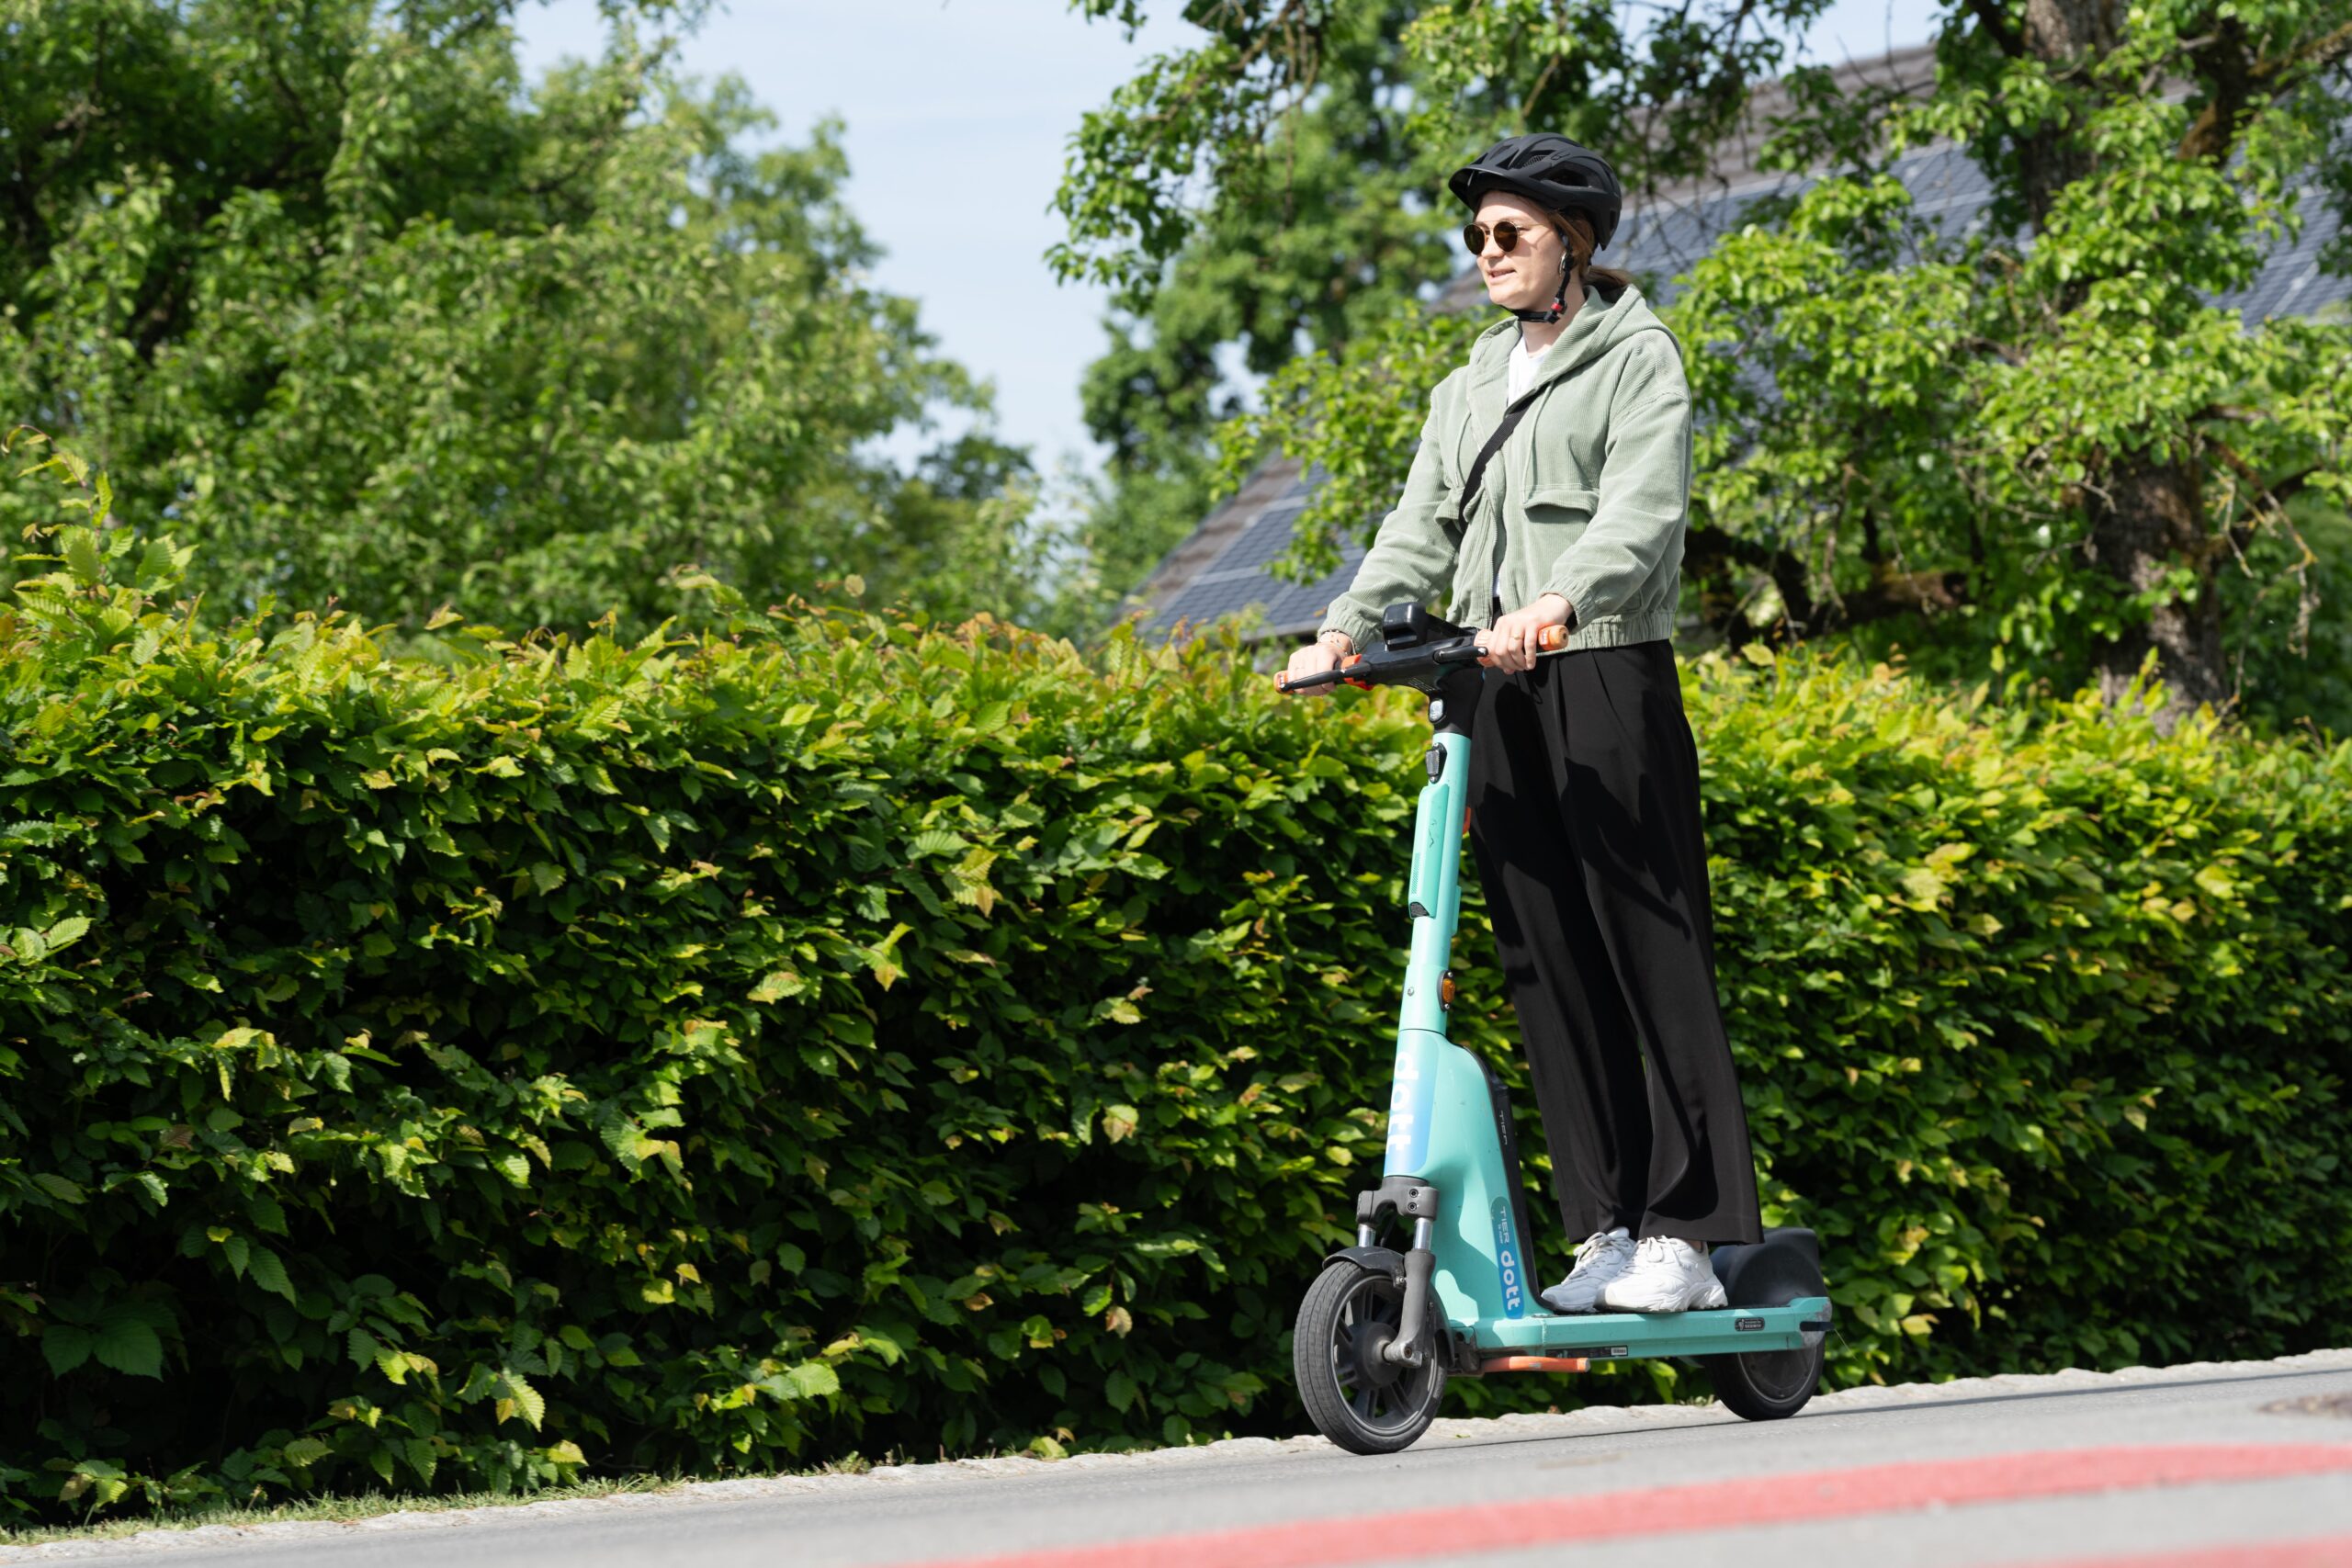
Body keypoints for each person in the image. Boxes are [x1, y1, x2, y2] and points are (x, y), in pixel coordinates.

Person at [1281, 133, 1762, 1314]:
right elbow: (1416, 529)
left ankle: (1688, 1235)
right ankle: (1605, 1226)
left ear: (1573, 244)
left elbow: (1641, 513)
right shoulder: (1464, 387)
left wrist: (1558, 601)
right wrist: (1341, 631)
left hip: (1599, 668)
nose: (1487, 252)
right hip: (1488, 686)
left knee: (1650, 949)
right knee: (1543, 960)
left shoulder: (1636, 357)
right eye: (1477, 236)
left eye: (1510, 233)